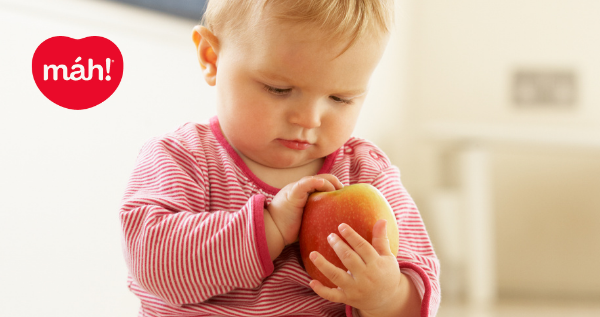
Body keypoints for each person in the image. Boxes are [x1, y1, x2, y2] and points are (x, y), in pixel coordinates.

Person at [119, 0, 440, 316]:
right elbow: (152, 265)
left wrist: (386, 297)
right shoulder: (181, 157)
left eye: (340, 98)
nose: (309, 119)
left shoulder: (365, 171)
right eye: (278, 89)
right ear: (211, 57)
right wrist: (268, 227)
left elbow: (421, 286)